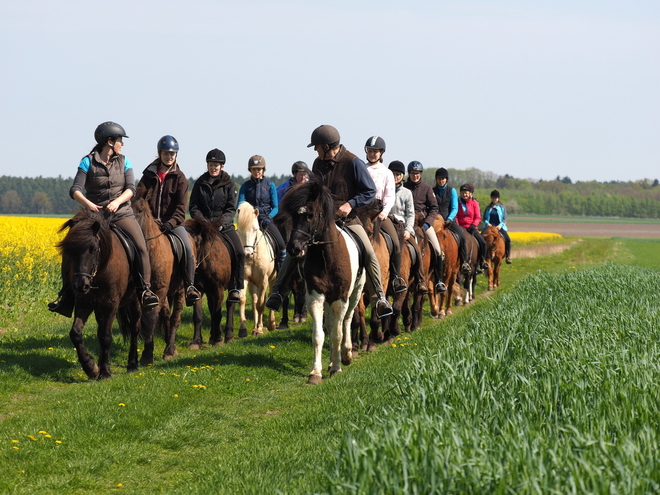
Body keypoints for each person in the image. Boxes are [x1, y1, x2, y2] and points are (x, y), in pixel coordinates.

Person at [266, 125, 393, 318]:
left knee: (368, 252)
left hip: (348, 219)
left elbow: (368, 192)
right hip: (322, 220)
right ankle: (278, 292)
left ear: (326, 146)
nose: (315, 151)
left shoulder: (353, 162)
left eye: (317, 147)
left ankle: (379, 298)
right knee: (295, 245)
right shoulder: (318, 163)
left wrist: (350, 204)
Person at [48, 121, 158, 316]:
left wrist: (117, 202)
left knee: (140, 246)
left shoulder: (125, 162)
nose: (122, 144)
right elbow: (75, 190)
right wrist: (88, 204)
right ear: (109, 142)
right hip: (94, 215)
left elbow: (131, 189)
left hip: (121, 213)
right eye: (119, 141)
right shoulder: (87, 162)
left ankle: (145, 290)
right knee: (71, 247)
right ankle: (67, 295)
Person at [136, 135, 201, 306]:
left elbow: (181, 209)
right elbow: (138, 199)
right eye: (166, 154)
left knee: (187, 248)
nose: (169, 157)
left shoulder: (180, 178)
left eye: (172, 154)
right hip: (148, 224)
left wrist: (170, 223)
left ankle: (189, 286)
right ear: (160, 153)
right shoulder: (148, 175)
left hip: (172, 224)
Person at [188, 148, 244, 303]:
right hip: (202, 225)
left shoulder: (230, 184)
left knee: (239, 251)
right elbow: (193, 207)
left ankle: (235, 287)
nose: (213, 167)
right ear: (207, 165)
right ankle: (189, 285)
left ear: (222, 166)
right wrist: (202, 221)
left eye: (216, 165)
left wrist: (220, 223)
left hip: (223, 226)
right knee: (187, 248)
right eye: (211, 164)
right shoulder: (200, 183)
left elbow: (231, 208)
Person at [363, 136, 406, 293]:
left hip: (380, 211)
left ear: (381, 153)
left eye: (376, 151)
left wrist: (384, 213)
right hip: (362, 212)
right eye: (370, 151)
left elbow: (390, 196)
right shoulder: (361, 168)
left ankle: (395, 277)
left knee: (395, 241)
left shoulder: (387, 173)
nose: (373, 154)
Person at [403, 161, 447, 293]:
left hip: (423, 224)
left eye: (417, 173)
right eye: (412, 173)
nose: (415, 175)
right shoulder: (404, 187)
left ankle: (439, 281)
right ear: (409, 174)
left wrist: (427, 223)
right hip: (405, 223)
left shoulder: (427, 188)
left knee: (437, 249)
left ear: (420, 174)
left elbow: (434, 208)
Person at [237, 155, 287, 267]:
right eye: (254, 169)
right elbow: (239, 206)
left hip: (266, 220)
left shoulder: (270, 185)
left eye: (259, 169)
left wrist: (269, 217)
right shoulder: (245, 186)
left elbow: (275, 207)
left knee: (282, 245)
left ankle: (280, 271)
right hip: (249, 223)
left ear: (263, 170)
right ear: (250, 170)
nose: (256, 171)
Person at [388, 160, 429, 294]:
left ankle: (421, 280)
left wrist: (408, 230)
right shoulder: (384, 190)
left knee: (416, 248)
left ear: (402, 176)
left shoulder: (406, 193)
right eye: (393, 174)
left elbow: (411, 214)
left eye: (398, 174)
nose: (396, 177)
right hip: (386, 223)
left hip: (402, 225)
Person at [432, 167, 471, 273]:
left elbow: (455, 208)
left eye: (443, 178)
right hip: (435, 222)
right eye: (439, 178)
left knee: (462, 237)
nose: (441, 180)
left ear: (446, 179)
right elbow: (430, 206)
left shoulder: (451, 191)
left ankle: (465, 262)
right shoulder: (432, 191)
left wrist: (449, 219)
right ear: (436, 179)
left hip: (449, 221)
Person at [456, 183, 489, 272]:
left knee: (483, 243)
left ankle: (482, 261)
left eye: (466, 192)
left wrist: (474, 225)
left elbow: (478, 216)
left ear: (470, 193)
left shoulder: (474, 203)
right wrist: (458, 226)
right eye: (462, 192)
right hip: (460, 228)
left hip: (472, 228)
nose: (464, 194)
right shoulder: (457, 203)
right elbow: (456, 216)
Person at [483, 189, 512, 264]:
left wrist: (500, 225)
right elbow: (484, 218)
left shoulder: (502, 207)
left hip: (499, 227)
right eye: (493, 198)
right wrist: (487, 223)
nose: (494, 199)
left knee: (508, 239)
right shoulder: (488, 208)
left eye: (496, 198)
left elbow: (505, 218)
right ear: (491, 198)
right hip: (489, 227)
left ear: (498, 199)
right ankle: (481, 258)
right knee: (481, 238)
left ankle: (508, 256)